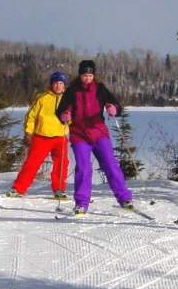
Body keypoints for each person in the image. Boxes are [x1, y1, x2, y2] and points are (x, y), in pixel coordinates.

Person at [57, 60, 133, 215]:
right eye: (85, 75)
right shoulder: (72, 91)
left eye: (90, 75)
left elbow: (115, 104)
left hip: (98, 132)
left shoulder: (100, 89)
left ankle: (124, 198)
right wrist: (64, 114)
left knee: (110, 165)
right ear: (80, 75)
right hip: (79, 134)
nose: (87, 78)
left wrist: (113, 108)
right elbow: (61, 110)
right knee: (83, 168)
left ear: (94, 75)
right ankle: (81, 203)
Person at [7, 71, 70, 200]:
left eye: (61, 83)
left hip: (60, 136)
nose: (58, 86)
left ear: (64, 86)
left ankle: (59, 189)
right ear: (51, 84)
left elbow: (74, 119)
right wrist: (28, 133)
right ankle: (18, 188)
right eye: (55, 83)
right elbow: (31, 117)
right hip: (42, 136)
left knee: (62, 164)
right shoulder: (42, 98)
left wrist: (69, 119)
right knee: (32, 163)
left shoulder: (69, 100)